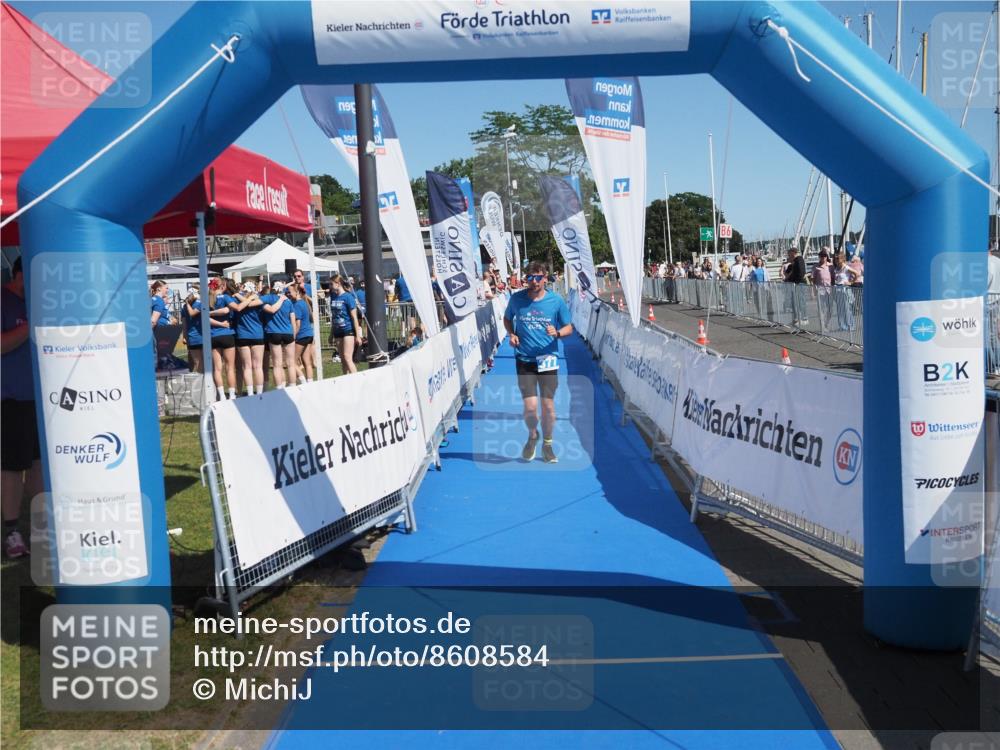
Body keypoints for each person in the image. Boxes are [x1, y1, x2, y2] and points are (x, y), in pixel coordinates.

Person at [503, 261, 573, 464]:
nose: (534, 281)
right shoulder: (517, 299)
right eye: (530, 277)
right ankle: (533, 436)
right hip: (524, 359)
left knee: (548, 406)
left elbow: (569, 327)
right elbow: (507, 318)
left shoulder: (556, 301)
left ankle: (548, 444)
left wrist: (557, 333)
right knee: (530, 407)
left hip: (547, 358)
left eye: (538, 277)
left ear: (545, 279)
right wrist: (512, 334)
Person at [1, 258, 39, 558]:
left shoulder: (39, 301)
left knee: (40, 463)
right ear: (19, 274)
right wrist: (32, 324)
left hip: (41, 397)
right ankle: (11, 531)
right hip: (9, 398)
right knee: (12, 467)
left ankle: (43, 525)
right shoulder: (3, 300)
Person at [233, 280, 267, 395]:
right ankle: (260, 393)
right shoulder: (259, 300)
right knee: (258, 366)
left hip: (242, 335)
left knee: (247, 367)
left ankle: (250, 393)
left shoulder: (237, 300)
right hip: (257, 334)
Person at [261, 282, 297, 389]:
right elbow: (293, 320)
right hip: (288, 333)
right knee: (291, 363)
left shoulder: (269, 300)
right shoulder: (288, 301)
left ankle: (279, 388)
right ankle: (292, 386)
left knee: (277, 364)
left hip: (274, 332)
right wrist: (294, 335)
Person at [208, 279, 238, 400]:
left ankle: (221, 395)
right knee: (230, 368)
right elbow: (230, 309)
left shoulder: (207, 299)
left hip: (213, 335)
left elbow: (206, 318)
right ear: (223, 286)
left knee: (217, 368)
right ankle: (232, 394)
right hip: (227, 334)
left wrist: (211, 314)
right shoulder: (225, 297)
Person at [328, 273, 363, 374]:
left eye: (331, 284)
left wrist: (358, 336)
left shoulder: (348, 297)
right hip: (337, 331)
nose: (330, 286)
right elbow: (334, 317)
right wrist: (331, 334)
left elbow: (354, 317)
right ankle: (346, 380)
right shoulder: (333, 297)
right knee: (343, 360)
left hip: (348, 330)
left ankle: (357, 380)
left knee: (347, 357)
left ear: (338, 283)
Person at [288, 282, 315, 384]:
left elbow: (297, 324)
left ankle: (303, 381)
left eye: (290, 292)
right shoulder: (303, 302)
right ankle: (310, 383)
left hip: (301, 335)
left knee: (292, 361)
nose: (288, 294)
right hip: (309, 334)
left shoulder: (297, 305)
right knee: (306, 361)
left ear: (297, 292)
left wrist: (293, 336)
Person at [783, 247, 808, 325]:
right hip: (794, 284)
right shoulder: (792, 264)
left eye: (789, 254)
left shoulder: (799, 260)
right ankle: (796, 318)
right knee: (794, 302)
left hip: (799, 284)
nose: (788, 256)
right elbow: (786, 273)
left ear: (793, 253)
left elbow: (801, 273)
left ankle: (804, 318)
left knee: (801, 301)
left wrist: (796, 282)